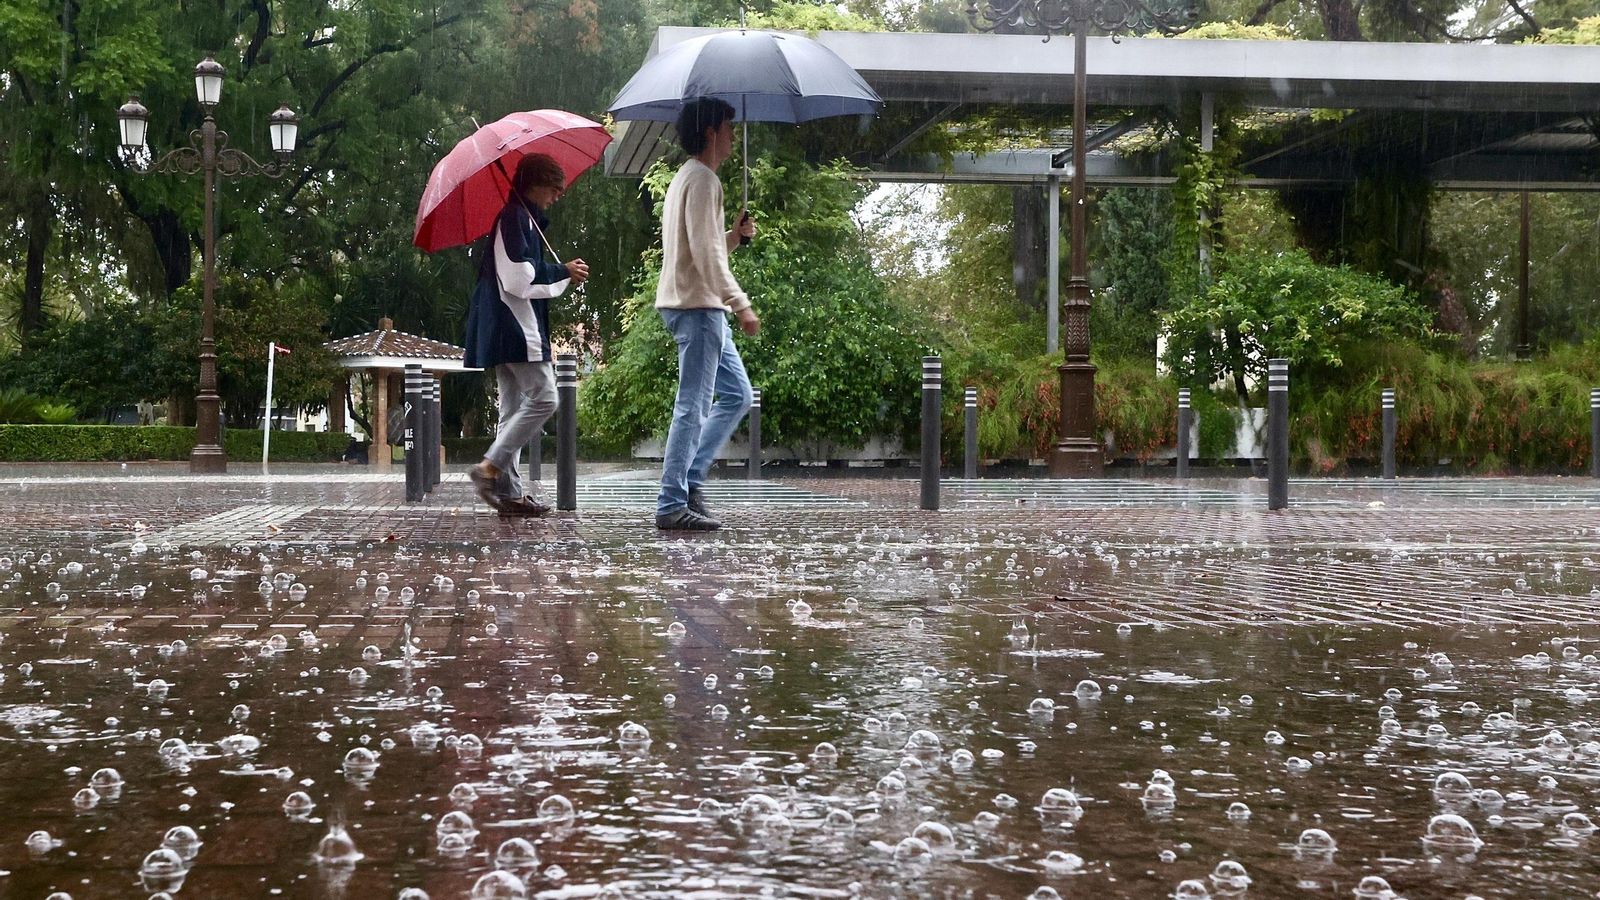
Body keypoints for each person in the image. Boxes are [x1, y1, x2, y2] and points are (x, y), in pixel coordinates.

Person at [463, 153, 589, 516]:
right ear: (535, 183)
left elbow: (523, 271)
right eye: (554, 188)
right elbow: (519, 277)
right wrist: (560, 270)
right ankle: (490, 467)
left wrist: (560, 271)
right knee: (546, 398)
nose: (558, 195)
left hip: (502, 325)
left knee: (513, 408)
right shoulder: (515, 218)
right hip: (514, 325)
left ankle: (510, 493)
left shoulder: (523, 220)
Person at [654, 98, 759, 531]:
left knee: (737, 394)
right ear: (712, 132)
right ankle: (671, 502)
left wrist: (734, 236)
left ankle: (690, 481)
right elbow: (706, 258)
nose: (734, 137)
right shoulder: (702, 181)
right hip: (698, 309)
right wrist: (742, 304)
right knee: (692, 406)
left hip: (694, 304)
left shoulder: (690, 178)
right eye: (729, 129)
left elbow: (704, 248)